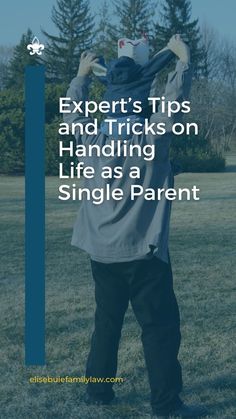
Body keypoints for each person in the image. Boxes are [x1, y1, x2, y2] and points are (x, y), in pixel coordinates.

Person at [63, 35, 208, 418]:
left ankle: (98, 394)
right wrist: (183, 62)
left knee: (106, 323)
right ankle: (165, 403)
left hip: (102, 252)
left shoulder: (93, 139)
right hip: (145, 252)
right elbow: (173, 105)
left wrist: (80, 77)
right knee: (159, 328)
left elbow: (73, 116)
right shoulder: (151, 135)